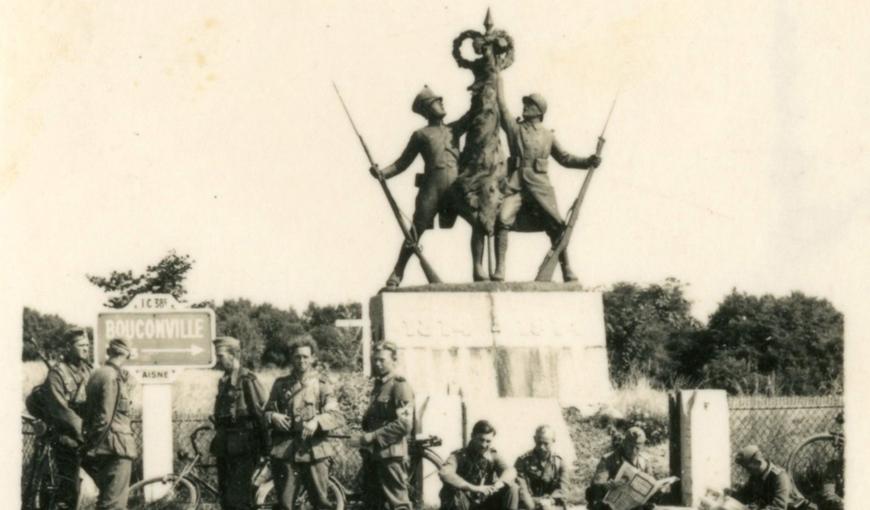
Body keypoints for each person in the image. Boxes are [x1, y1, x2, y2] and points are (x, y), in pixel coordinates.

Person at [493, 73, 601, 282]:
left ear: (539, 111)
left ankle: (566, 268)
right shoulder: (515, 129)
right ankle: (500, 269)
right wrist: (498, 78)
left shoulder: (547, 135)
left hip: (541, 186)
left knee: (557, 226)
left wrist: (588, 161)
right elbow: (502, 106)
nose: (525, 107)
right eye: (525, 104)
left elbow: (565, 158)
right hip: (516, 184)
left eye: (530, 105)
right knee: (502, 219)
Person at [370, 85, 472, 286]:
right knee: (415, 231)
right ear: (426, 110)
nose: (441, 103)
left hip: (455, 190)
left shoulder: (455, 128)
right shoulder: (420, 135)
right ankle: (397, 273)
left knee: (479, 221)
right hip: (431, 190)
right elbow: (402, 163)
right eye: (436, 102)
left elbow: (473, 114)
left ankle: (479, 271)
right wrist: (382, 174)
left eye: (440, 100)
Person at [265, 337, 343, 510]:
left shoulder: (322, 386)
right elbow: (267, 411)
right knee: (285, 504)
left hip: (314, 450)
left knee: (321, 503)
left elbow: (335, 415)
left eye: (306, 357)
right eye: (297, 356)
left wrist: (316, 421)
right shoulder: (280, 385)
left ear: (313, 358)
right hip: (286, 451)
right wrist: (273, 416)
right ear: (291, 358)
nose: (301, 361)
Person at [30, 327, 93, 510]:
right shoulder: (57, 374)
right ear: (68, 347)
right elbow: (61, 411)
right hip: (67, 437)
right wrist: (84, 432)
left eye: (87, 345)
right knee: (68, 490)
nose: (85, 348)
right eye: (81, 345)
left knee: (106, 477)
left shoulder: (89, 371)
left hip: (87, 436)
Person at [352, 341, 415, 510]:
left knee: (398, 503)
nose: (378, 364)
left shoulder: (399, 386)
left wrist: (373, 436)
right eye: (375, 360)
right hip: (374, 455)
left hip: (391, 455)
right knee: (374, 504)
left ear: (394, 360)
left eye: (382, 360)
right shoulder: (379, 386)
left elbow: (404, 424)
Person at [210, 336, 268, 510]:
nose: (218, 361)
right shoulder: (224, 381)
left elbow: (259, 414)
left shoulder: (247, 379)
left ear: (233, 355)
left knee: (239, 499)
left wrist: (266, 447)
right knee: (226, 498)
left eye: (221, 356)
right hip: (225, 446)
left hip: (245, 446)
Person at [82, 337, 136, 510]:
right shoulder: (113, 377)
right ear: (126, 353)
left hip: (103, 448)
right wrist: (95, 445)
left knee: (106, 500)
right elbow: (106, 417)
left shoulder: (98, 373)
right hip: (115, 448)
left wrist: (92, 447)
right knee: (114, 504)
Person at [439, 419, 519, 510]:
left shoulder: (492, 456)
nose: (484, 445)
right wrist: (474, 488)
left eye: (488, 441)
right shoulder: (459, 456)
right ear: (472, 436)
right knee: (450, 490)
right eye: (481, 440)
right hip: (464, 503)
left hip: (485, 503)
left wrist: (499, 484)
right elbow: (444, 473)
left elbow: (511, 471)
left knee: (512, 487)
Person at [586, 427, 656, 510]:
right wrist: (606, 485)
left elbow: (651, 484)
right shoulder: (608, 459)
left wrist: (658, 489)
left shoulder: (644, 462)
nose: (633, 451)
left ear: (642, 446)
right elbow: (596, 483)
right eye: (630, 446)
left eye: (637, 448)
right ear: (624, 443)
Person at [730, 445, 815, 510]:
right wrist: (728, 494)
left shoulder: (779, 477)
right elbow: (744, 495)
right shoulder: (756, 476)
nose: (746, 471)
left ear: (757, 463)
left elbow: (779, 507)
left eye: (748, 468)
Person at [514, 425, 568, 510]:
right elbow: (522, 489)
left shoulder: (559, 462)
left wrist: (550, 501)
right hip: (529, 503)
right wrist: (533, 506)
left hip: (552, 503)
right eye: (539, 443)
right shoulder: (523, 461)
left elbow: (563, 489)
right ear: (534, 439)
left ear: (553, 441)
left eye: (546, 443)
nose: (541, 447)